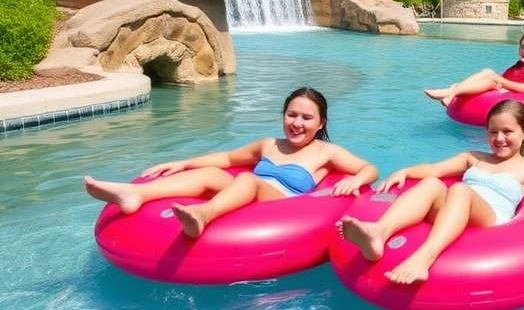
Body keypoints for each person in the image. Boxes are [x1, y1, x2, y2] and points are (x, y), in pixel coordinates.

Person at [339, 99, 524, 284]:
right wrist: (405, 171)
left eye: (508, 131)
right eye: (492, 131)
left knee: (459, 190)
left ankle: (425, 257)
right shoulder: (473, 157)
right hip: (454, 212)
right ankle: (378, 232)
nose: (499, 138)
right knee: (433, 183)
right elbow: (434, 168)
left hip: (488, 219)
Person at [84, 87, 379, 238]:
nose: (297, 123)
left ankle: (203, 214)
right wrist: (184, 162)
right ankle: (135, 194)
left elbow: (370, 169)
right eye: (291, 114)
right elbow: (227, 158)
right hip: (247, 192)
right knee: (212, 173)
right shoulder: (269, 144)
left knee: (249, 179)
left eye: (306, 117)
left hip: (281, 204)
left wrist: (356, 179)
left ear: (320, 122)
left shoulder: (326, 152)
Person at [424, 31, 524, 107]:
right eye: (522, 47)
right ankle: (453, 91)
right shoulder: (518, 65)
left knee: (493, 79)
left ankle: (450, 93)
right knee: (488, 71)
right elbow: (504, 80)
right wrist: (496, 81)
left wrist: (497, 81)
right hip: (508, 95)